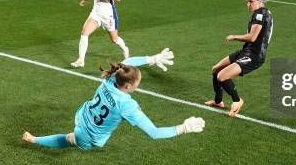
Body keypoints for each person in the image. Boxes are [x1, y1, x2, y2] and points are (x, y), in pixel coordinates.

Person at [23, 50, 206, 150]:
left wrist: (151, 59)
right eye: (138, 83)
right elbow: (154, 133)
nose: (138, 85)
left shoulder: (112, 78)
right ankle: (35, 140)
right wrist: (184, 128)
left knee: (73, 135)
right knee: (70, 139)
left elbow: (129, 62)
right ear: (128, 87)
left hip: (84, 114)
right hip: (88, 135)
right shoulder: (127, 105)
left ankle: (39, 138)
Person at [205, 0, 273, 117]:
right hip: (246, 51)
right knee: (216, 69)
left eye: (251, 2)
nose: (248, 4)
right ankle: (218, 101)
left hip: (254, 56)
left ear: (259, 1)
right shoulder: (261, 12)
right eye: (247, 2)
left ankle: (237, 100)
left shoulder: (261, 14)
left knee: (222, 76)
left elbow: (252, 37)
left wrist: (234, 37)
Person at [71, 0, 129, 68]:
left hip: (108, 16)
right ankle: (81, 60)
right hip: (96, 13)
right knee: (84, 32)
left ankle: (125, 49)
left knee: (114, 40)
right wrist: (85, 0)